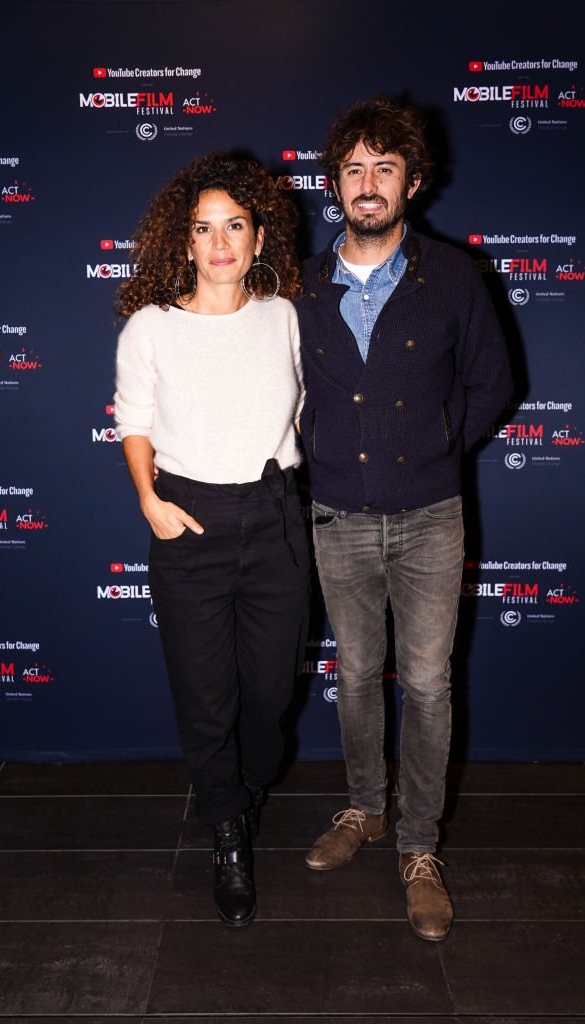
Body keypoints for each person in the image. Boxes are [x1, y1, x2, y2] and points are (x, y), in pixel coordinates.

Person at [296, 98, 513, 941]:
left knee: (425, 684)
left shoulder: (454, 277)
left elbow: (492, 382)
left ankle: (419, 847)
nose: (367, 183)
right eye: (352, 169)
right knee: (354, 677)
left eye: (384, 167)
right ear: (336, 187)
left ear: (413, 183)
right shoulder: (304, 286)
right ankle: (364, 810)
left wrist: (435, 440)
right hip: (334, 518)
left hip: (429, 515)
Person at [113, 153, 310, 928]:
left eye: (235, 225)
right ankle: (227, 831)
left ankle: (249, 787)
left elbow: (301, 412)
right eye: (204, 228)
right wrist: (148, 501)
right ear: (184, 243)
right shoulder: (150, 327)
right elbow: (133, 423)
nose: (220, 241)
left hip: (274, 517)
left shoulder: (285, 317)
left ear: (259, 238)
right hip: (187, 522)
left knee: (269, 695)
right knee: (205, 699)